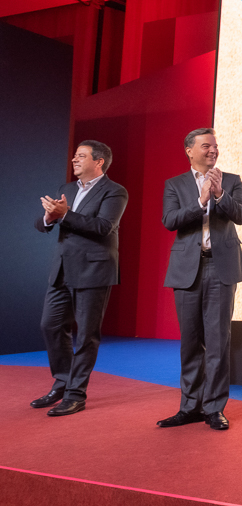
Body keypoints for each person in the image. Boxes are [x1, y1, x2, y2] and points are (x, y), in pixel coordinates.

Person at [157, 128, 242, 431]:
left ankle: (214, 408)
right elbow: (170, 220)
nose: (213, 150)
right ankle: (189, 407)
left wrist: (220, 195)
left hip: (221, 268)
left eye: (215, 146)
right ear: (189, 150)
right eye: (206, 146)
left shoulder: (231, 180)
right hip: (187, 269)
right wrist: (200, 201)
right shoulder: (175, 184)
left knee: (218, 341)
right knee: (190, 341)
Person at [32, 140, 128, 416]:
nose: (74, 159)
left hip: (94, 270)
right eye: (75, 155)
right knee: (50, 325)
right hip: (62, 269)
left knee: (86, 335)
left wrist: (65, 215)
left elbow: (103, 227)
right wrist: (49, 218)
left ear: (99, 161)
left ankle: (76, 394)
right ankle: (63, 382)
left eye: (81, 156)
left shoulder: (115, 191)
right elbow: (43, 224)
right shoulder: (67, 189)